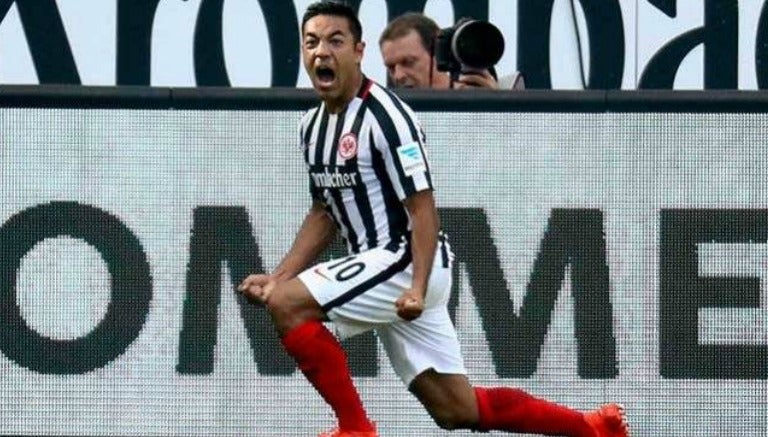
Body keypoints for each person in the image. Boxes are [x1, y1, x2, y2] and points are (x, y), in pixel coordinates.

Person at [238, 2, 628, 437]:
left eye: (335, 41)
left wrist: (417, 287)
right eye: (311, 42)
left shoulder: (387, 117)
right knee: (457, 409)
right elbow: (324, 210)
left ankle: (355, 428)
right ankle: (592, 427)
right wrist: (280, 275)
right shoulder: (311, 127)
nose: (321, 52)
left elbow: (423, 208)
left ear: (357, 51)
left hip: (405, 259)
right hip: (385, 267)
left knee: (288, 305)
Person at [379, 12, 525, 90]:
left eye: (408, 62)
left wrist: (496, 108)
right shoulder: (389, 118)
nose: (398, 75)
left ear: (438, 53)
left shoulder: (493, 92)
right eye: (391, 68)